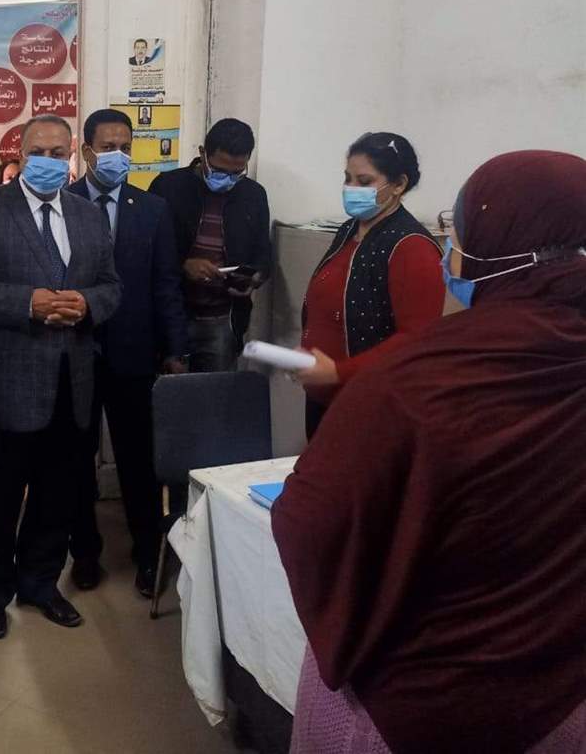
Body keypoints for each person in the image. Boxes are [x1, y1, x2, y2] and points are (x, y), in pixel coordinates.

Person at [272, 150, 586, 754]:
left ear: (498, 251)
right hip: (558, 684)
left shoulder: (416, 383)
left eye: (457, 235)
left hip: (425, 698)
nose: (450, 251)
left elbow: (310, 521)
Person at [0, 113, 121, 640]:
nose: (47, 161)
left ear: (72, 157)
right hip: (2, 385)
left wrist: (87, 304)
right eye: (37, 152)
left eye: (57, 153)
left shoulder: (88, 216)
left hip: (71, 384)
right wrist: (29, 304)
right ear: (19, 154)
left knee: (56, 497)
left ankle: (40, 584)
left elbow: (112, 286)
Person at [66, 108, 189, 597]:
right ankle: (84, 554)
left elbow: (166, 284)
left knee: (139, 462)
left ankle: (147, 554)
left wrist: (176, 348)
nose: (118, 155)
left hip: (135, 354)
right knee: (75, 460)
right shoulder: (63, 203)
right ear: (87, 151)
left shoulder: (152, 210)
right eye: (107, 147)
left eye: (125, 147)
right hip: (74, 352)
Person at [294, 132, 445, 438]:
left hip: (370, 405)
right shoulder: (350, 230)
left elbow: (417, 339)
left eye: (364, 182)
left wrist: (339, 372)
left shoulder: (411, 246)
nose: (351, 189)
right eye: (347, 179)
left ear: (398, 184)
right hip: (325, 398)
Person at [149, 118, 271, 372]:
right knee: (168, 391)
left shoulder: (254, 195)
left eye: (237, 172)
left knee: (215, 393)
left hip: (223, 320)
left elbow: (263, 255)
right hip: (173, 316)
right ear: (203, 153)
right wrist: (184, 265)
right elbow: (146, 252)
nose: (227, 179)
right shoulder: (167, 187)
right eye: (219, 170)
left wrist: (253, 278)